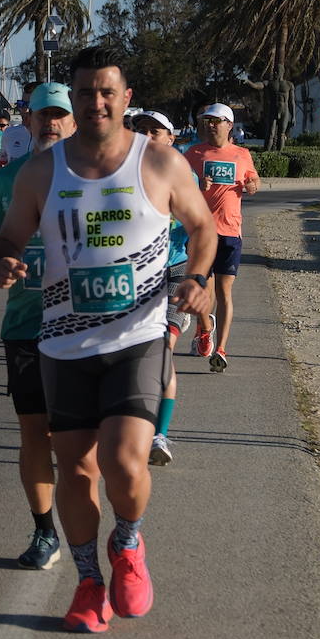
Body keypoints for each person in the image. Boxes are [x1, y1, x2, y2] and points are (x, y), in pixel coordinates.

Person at [0, 46, 214, 632]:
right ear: (74, 98)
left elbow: (202, 225)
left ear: (125, 97)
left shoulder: (159, 163)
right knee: (78, 471)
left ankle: (129, 541)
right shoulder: (43, 170)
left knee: (123, 461)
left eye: (107, 91)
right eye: (85, 92)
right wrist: (5, 262)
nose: (96, 102)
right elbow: (9, 238)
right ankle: (89, 583)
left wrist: (198, 279)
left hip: (137, 336)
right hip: (62, 343)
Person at [0, 81, 77, 570]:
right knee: (35, 432)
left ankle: (91, 530)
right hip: (25, 324)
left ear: (74, 121)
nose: (50, 123)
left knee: (78, 441)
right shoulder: (6, 179)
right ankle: (45, 533)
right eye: (42, 115)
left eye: (59, 114)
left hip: (85, 327)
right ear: (28, 122)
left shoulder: (93, 176)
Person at [130, 111, 191, 465]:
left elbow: (200, 226)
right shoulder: (117, 171)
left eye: (157, 131)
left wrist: (199, 276)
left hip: (174, 268)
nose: (149, 136)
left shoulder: (183, 174)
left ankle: (159, 434)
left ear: (171, 137)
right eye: (142, 130)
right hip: (134, 272)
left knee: (164, 347)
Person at [184, 103, 258, 372]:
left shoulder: (242, 154)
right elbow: (177, 185)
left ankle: (222, 349)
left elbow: (254, 181)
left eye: (217, 121)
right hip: (201, 231)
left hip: (230, 231)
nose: (211, 125)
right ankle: (205, 329)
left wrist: (251, 186)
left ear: (230, 125)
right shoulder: (193, 153)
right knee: (202, 288)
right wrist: (195, 184)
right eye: (207, 120)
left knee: (223, 291)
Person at [0, 83, 39, 165]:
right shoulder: (9, 133)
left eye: (29, 105)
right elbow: (1, 163)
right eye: (22, 104)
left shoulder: (53, 140)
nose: (24, 110)